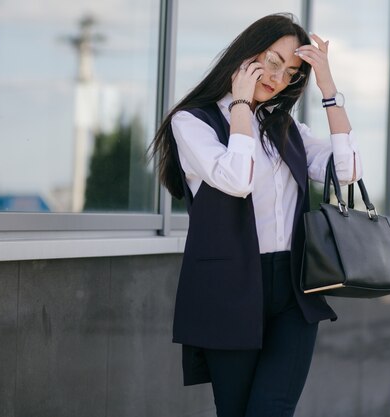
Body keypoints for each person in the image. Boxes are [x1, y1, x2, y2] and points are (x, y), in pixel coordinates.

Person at [151, 13, 362, 417]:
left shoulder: (287, 128)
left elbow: (348, 169)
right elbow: (236, 179)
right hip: (229, 289)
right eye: (272, 61)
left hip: (294, 289)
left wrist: (329, 88)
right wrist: (242, 106)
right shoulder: (193, 122)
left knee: (273, 408)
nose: (279, 78)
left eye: (291, 72)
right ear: (247, 55)